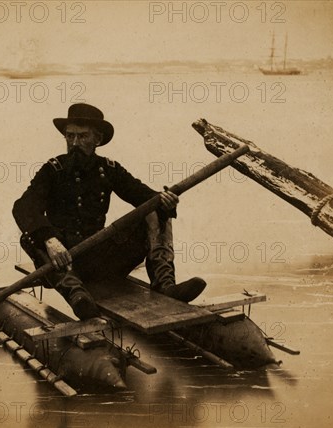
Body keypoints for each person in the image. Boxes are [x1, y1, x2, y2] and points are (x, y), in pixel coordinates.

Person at [13, 103, 206, 320]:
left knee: (155, 209)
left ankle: (164, 284)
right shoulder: (52, 170)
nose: (74, 143)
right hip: (62, 262)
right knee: (32, 236)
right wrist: (49, 240)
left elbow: (143, 195)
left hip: (100, 260)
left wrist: (165, 201)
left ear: (98, 139)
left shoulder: (110, 169)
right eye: (70, 136)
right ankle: (77, 295)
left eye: (83, 136)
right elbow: (23, 206)